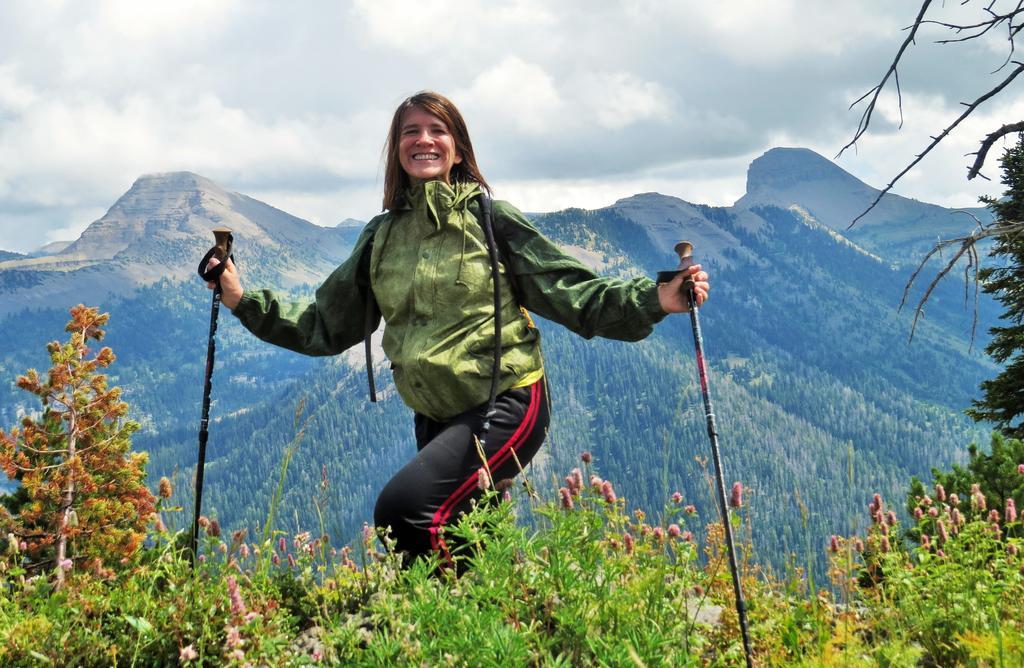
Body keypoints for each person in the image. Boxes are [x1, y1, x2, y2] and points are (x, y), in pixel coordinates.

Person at [206, 91, 709, 567]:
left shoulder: (491, 220)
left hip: (507, 400)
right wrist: (240, 299)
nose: (423, 140)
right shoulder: (382, 237)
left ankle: (439, 634)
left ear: (458, 146)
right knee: (470, 545)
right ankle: (501, 629)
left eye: (437, 129)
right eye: (410, 131)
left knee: (403, 512)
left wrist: (656, 299)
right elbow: (324, 324)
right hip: (434, 414)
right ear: (396, 149)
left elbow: (572, 292)